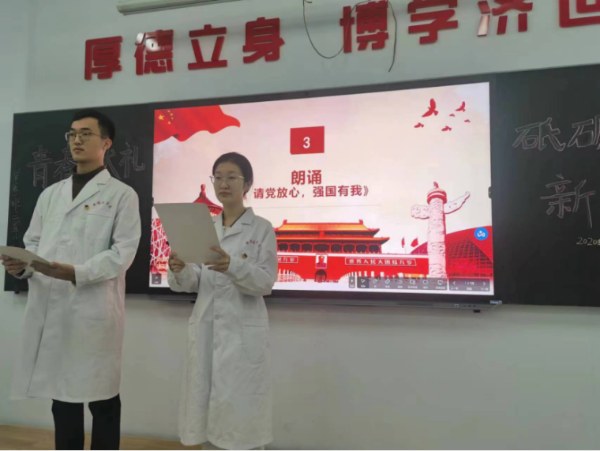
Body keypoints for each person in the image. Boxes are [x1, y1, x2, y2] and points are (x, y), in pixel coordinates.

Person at [1, 109, 141, 451]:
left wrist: (76, 272)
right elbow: (34, 243)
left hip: (94, 310)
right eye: (72, 134)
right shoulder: (51, 194)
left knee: (103, 400)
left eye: (86, 134)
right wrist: (22, 266)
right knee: (62, 399)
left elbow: (122, 253)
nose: (77, 140)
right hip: (55, 309)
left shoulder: (122, 194)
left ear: (106, 143)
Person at [168, 152, 277, 451]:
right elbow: (193, 282)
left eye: (232, 177)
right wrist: (179, 269)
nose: (223, 184)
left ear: (247, 184)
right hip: (206, 329)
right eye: (218, 177)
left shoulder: (262, 228)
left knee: (242, 416)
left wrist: (232, 265)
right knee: (208, 413)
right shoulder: (205, 228)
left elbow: (265, 282)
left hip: (242, 335)